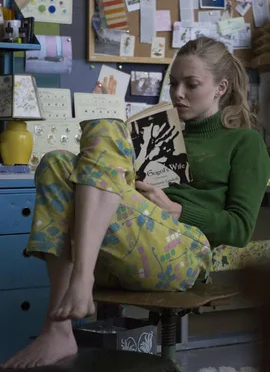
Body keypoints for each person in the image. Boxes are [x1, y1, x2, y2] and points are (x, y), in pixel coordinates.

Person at [3, 37, 269, 369]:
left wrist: (178, 209)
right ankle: (58, 328)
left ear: (220, 87)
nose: (178, 93)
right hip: (123, 248)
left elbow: (241, 229)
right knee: (56, 161)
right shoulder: (163, 132)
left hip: (184, 255)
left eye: (192, 84)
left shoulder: (244, 141)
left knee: (106, 129)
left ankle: (80, 283)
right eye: (173, 83)